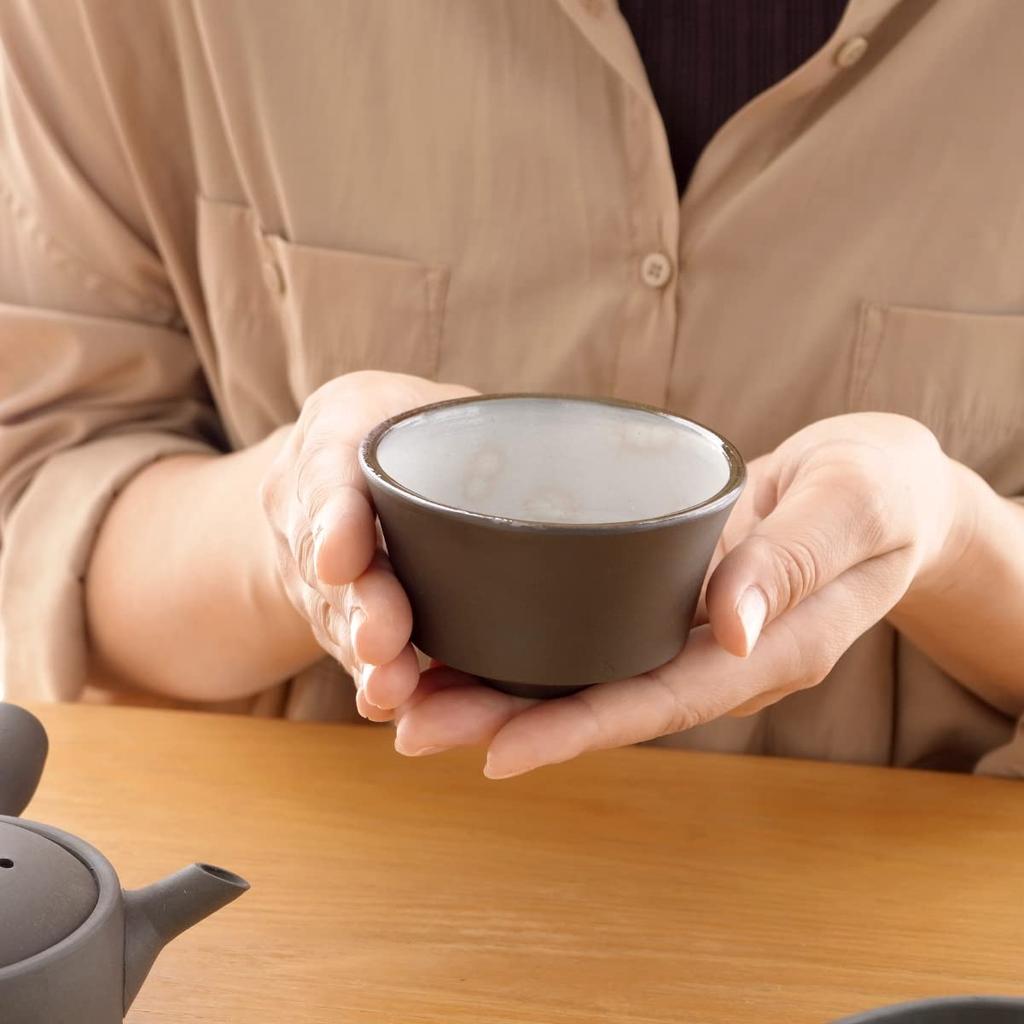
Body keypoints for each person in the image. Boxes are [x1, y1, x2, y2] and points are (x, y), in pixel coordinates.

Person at [2, 0, 1023, 780]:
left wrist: (955, 540)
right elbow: (33, 506)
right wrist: (289, 529)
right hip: (323, 908)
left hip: (893, 934)